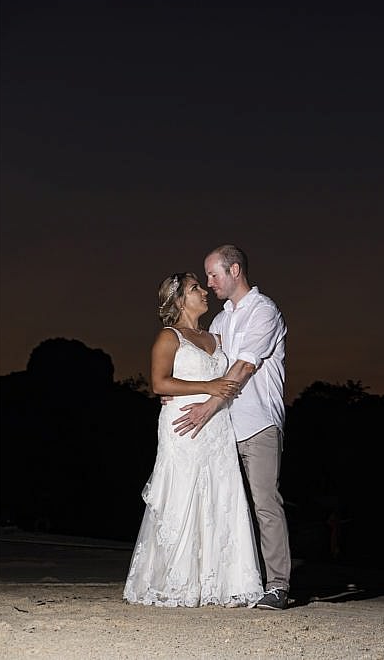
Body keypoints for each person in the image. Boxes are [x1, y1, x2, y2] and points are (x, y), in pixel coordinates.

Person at [123, 273, 264, 608]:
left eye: (202, 286)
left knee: (219, 494)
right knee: (183, 494)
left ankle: (219, 581)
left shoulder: (217, 336)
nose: (204, 291)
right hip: (183, 425)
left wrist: (219, 390)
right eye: (195, 288)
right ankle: (174, 581)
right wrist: (209, 386)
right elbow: (159, 384)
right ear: (179, 301)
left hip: (218, 426)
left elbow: (238, 372)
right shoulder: (169, 337)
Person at [171, 244, 292, 611]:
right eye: (206, 277)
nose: (209, 283)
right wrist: (173, 393)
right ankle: (234, 582)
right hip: (223, 428)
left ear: (234, 270)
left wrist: (208, 406)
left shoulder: (264, 311)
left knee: (264, 503)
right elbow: (207, 367)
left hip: (258, 423)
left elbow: (243, 367)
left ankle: (278, 586)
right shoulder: (221, 320)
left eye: (213, 275)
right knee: (227, 507)